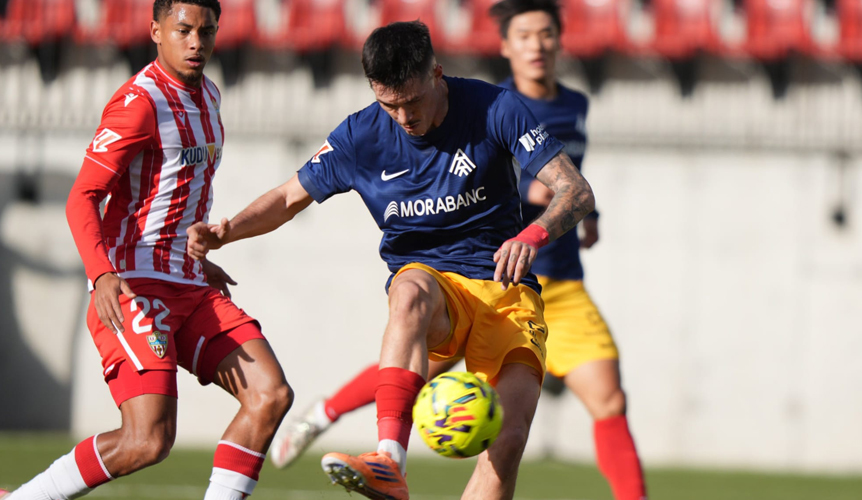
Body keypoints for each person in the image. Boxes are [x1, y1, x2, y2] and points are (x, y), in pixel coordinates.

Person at [186, 20, 594, 500]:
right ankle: (388, 462)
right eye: (389, 104)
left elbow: (576, 191)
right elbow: (287, 198)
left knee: (505, 447)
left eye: (412, 102)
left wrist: (533, 234)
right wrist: (228, 230)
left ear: (436, 72)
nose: (403, 117)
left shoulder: (495, 108)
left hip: (508, 291)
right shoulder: (360, 135)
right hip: (436, 291)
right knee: (408, 291)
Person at [267, 2, 649, 499]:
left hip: (543, 284)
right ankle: (336, 420)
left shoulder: (573, 105)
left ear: (561, 40)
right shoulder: (488, 104)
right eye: (525, 36)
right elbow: (292, 195)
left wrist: (574, 219)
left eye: (546, 34)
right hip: (459, 278)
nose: (537, 45)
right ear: (505, 47)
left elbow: (571, 186)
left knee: (581, 411)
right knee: (410, 333)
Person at [1, 2, 294, 499]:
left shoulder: (210, 96)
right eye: (184, 30)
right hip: (135, 288)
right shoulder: (139, 102)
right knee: (147, 440)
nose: (197, 42)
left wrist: (196, 257)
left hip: (190, 284)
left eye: (207, 31)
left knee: (269, 394)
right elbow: (81, 197)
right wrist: (101, 274)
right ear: (156, 31)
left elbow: (180, 193)